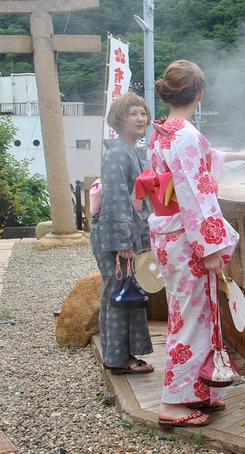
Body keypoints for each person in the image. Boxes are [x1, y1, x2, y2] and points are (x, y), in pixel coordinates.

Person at [147, 60, 245, 427]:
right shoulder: (184, 136)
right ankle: (173, 402)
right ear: (199, 93)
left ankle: (202, 389)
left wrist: (243, 156)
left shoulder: (164, 131)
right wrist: (211, 247)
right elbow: (195, 194)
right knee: (191, 318)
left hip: (170, 235)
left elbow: (200, 162)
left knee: (194, 313)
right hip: (187, 238)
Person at [91, 92, 155, 375]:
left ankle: (122, 356)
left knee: (125, 295)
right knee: (118, 295)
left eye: (142, 112)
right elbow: (116, 198)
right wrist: (122, 243)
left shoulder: (130, 151)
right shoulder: (118, 153)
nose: (140, 118)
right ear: (120, 119)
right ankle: (117, 360)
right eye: (133, 113)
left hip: (125, 235)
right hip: (117, 238)